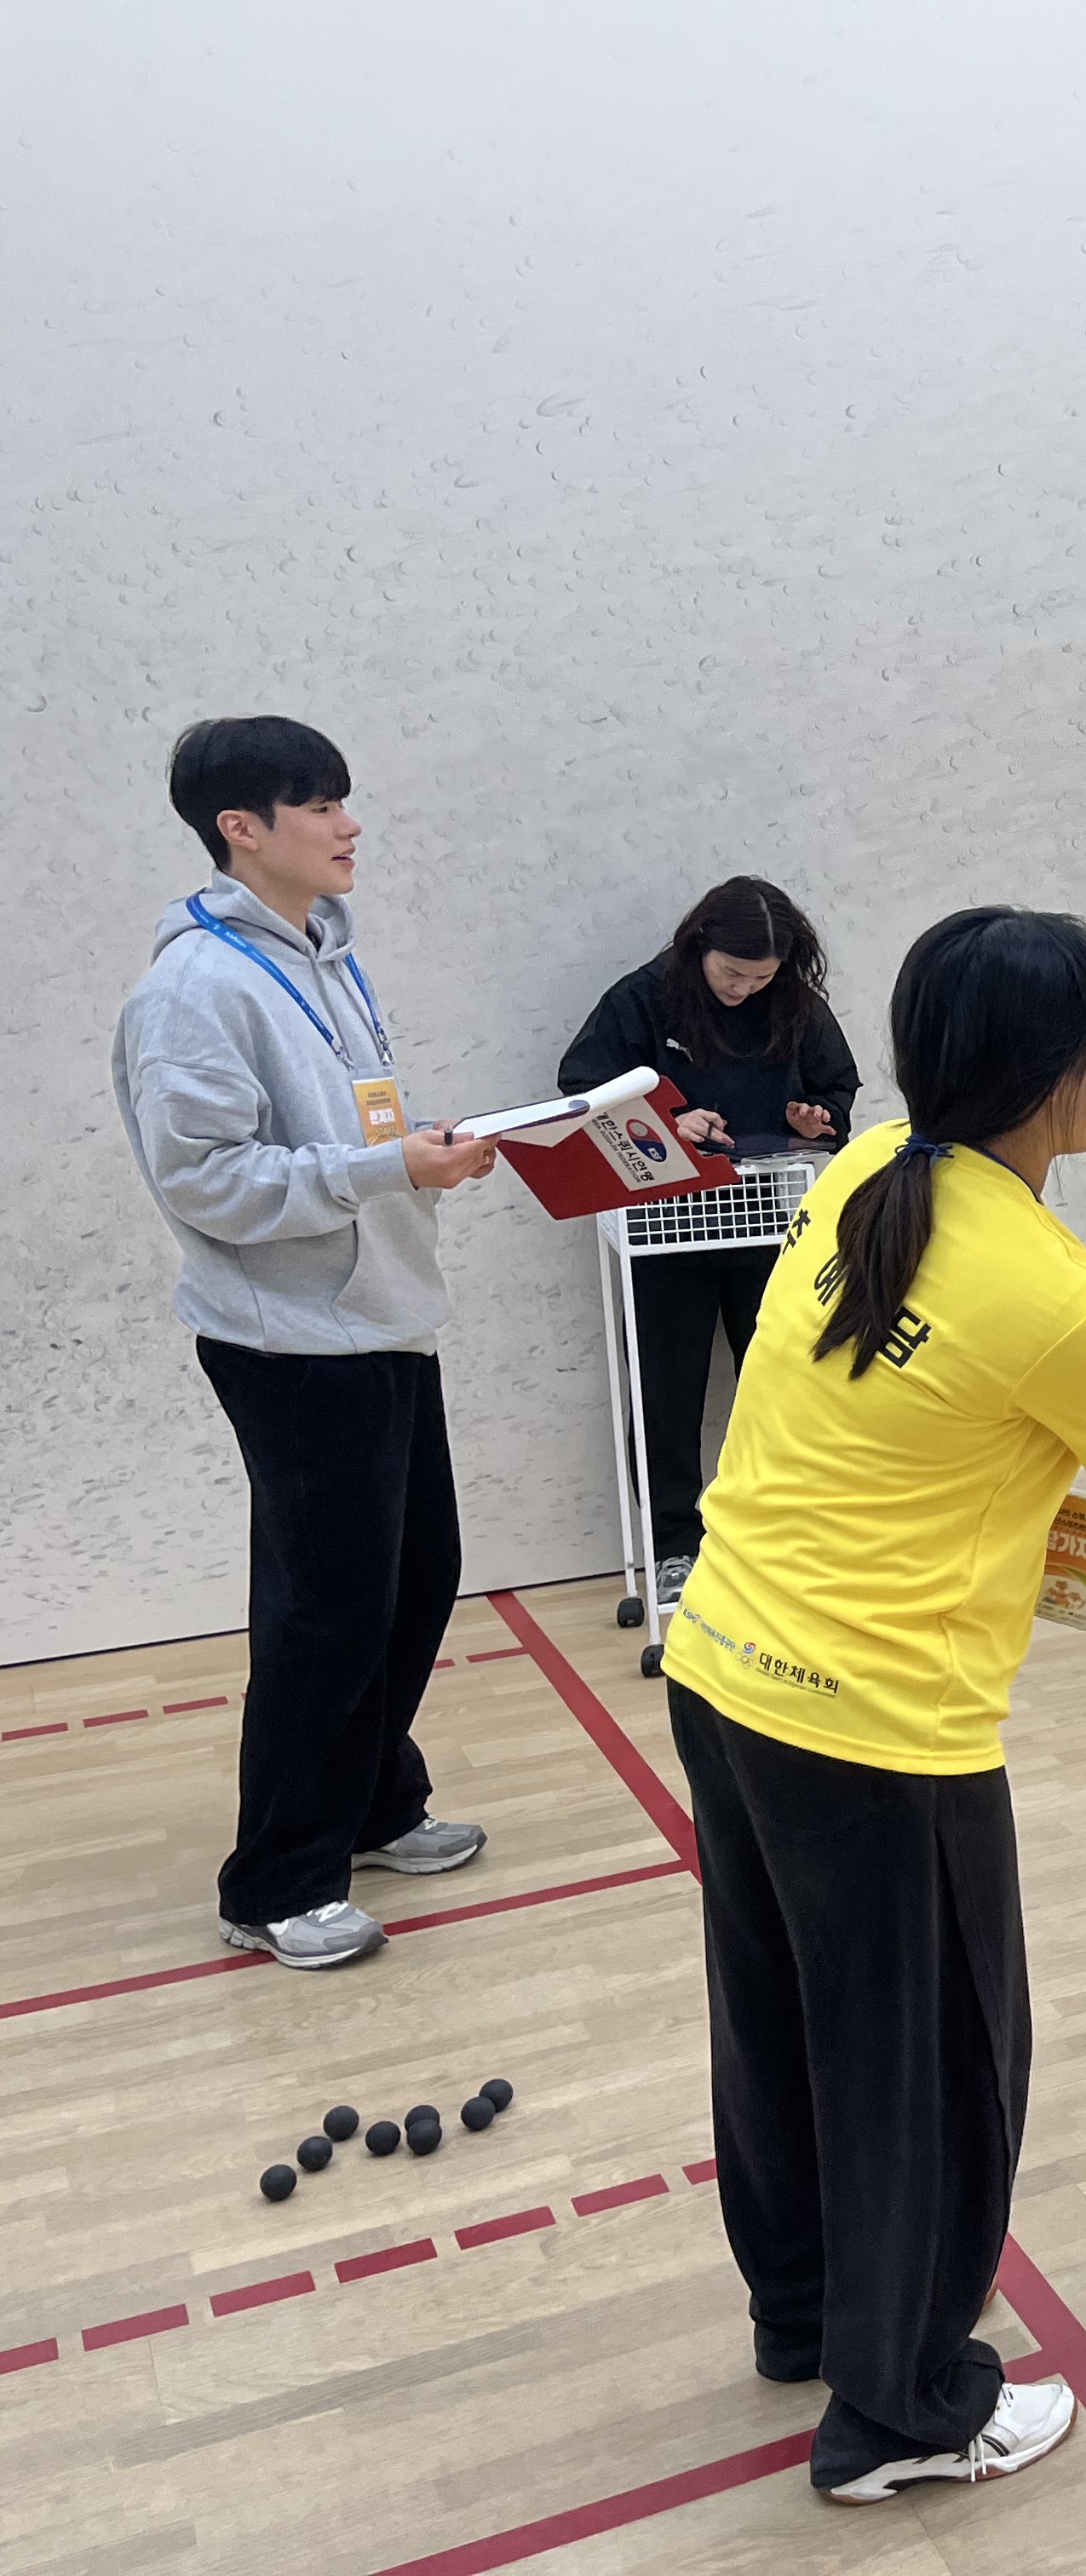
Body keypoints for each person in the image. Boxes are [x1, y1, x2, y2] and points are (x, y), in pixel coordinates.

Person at [660, 906, 1086, 2504]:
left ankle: (806, 2315)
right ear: (1055, 1074)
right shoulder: (1062, 1295)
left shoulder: (866, 1172)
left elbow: (1054, 1399)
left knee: (782, 2027)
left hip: (723, 1668)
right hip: (874, 1732)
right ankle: (900, 2411)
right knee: (932, 2070)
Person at [111, 716, 500, 1971]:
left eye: (344, 799)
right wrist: (388, 1168)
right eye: (321, 804)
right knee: (326, 1614)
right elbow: (206, 1182)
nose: (350, 824)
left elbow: (344, 1134)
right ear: (242, 828)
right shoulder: (195, 990)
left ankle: (375, 1805)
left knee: (415, 1578)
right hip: (291, 1343)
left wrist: (415, 1155)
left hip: (382, 1316)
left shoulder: (328, 954)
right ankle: (275, 1883)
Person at [558, 878, 862, 1601]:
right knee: (665, 1393)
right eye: (731, 972)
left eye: (760, 978)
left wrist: (816, 1118)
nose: (743, 989)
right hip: (662, 1222)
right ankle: (672, 1548)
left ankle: (777, 1537)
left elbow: (837, 1092)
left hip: (768, 1219)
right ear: (700, 946)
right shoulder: (641, 999)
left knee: (781, 1384)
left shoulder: (794, 1003)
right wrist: (669, 1123)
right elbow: (582, 1091)